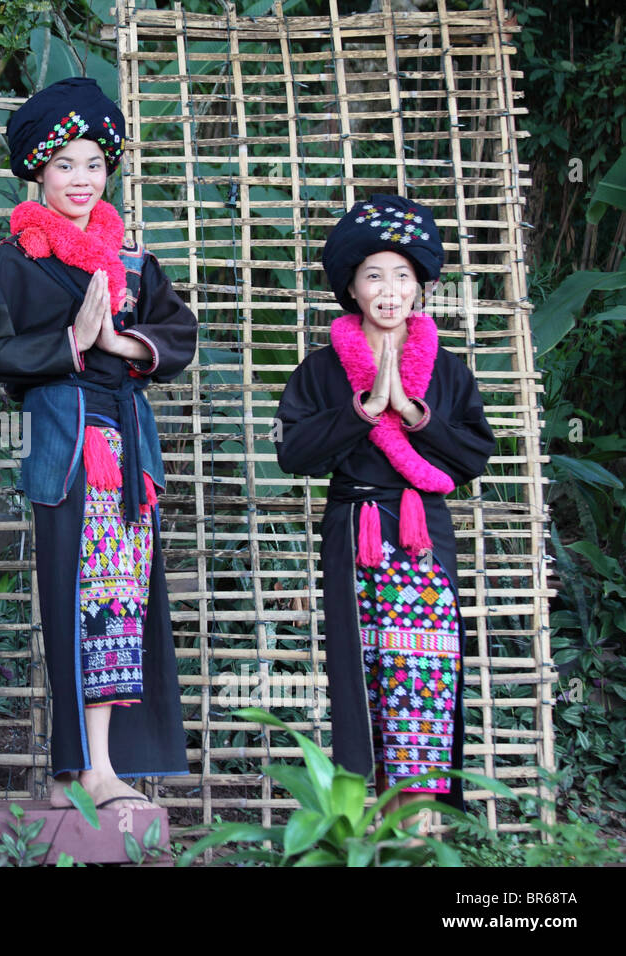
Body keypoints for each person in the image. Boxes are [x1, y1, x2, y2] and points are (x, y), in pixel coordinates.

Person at [0, 77, 198, 811]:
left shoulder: (130, 258)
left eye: (94, 163)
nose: (81, 178)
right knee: (73, 602)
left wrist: (119, 340)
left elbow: (179, 334)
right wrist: (71, 343)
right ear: (37, 170)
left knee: (120, 602)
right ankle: (80, 768)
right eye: (64, 163)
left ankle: (95, 767)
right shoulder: (18, 260)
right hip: (67, 446)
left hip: (127, 450)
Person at [273, 195, 495, 822]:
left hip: (421, 533)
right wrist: (364, 408)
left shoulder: (448, 372)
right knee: (361, 677)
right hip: (356, 533)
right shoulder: (321, 372)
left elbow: (475, 456)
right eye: (374, 274)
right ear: (351, 285)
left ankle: (417, 832)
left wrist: (417, 414)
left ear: (422, 285)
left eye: (403, 275)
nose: (390, 290)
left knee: (423, 673)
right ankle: (362, 828)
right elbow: (294, 453)